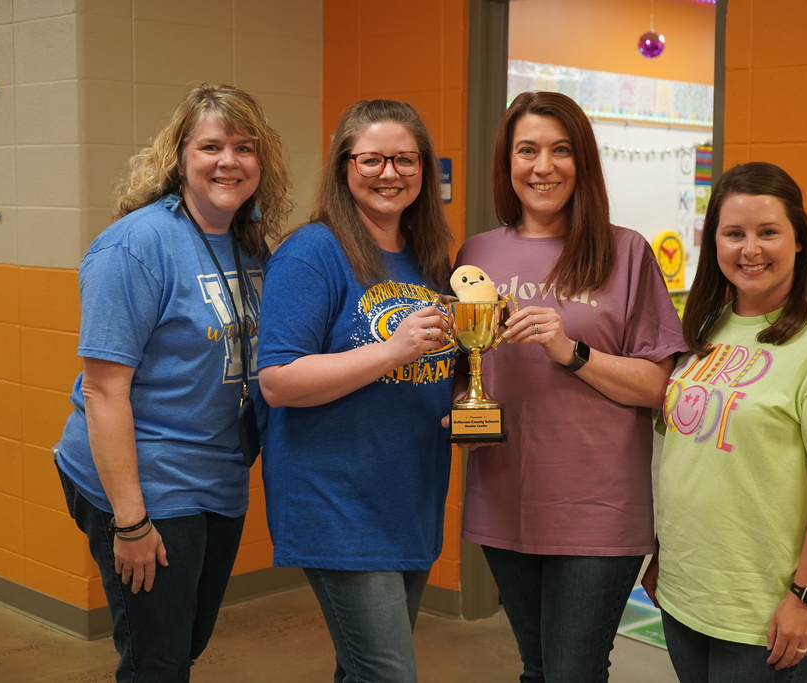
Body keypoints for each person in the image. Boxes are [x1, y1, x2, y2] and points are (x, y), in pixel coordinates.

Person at [53, 83, 293, 682]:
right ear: (180, 154)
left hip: (218, 474)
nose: (228, 161)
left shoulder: (250, 244)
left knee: (185, 642)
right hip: (145, 480)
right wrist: (130, 523)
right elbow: (104, 390)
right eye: (211, 145)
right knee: (156, 664)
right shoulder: (136, 246)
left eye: (245, 146)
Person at [455, 90, 687, 682]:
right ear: (507, 162)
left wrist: (572, 351)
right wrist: (463, 412)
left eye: (561, 151)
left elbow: (657, 386)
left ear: (582, 161)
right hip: (505, 498)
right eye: (526, 150)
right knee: (538, 667)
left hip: (599, 508)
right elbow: (465, 370)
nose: (543, 167)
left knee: (574, 671)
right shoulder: (476, 252)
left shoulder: (625, 250)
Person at [642, 162, 807, 682]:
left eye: (768, 232)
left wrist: (805, 597)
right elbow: (683, 461)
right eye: (734, 234)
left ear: (798, 240)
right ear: (715, 243)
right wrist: (660, 555)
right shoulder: (706, 326)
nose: (750, 249)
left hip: (764, 612)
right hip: (687, 591)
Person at [257, 99, 455, 683]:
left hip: (409, 495)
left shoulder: (427, 258)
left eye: (404, 159)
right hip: (337, 499)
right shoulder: (312, 252)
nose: (389, 173)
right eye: (371, 159)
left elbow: (439, 364)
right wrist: (394, 349)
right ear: (344, 166)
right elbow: (277, 380)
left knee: (361, 670)